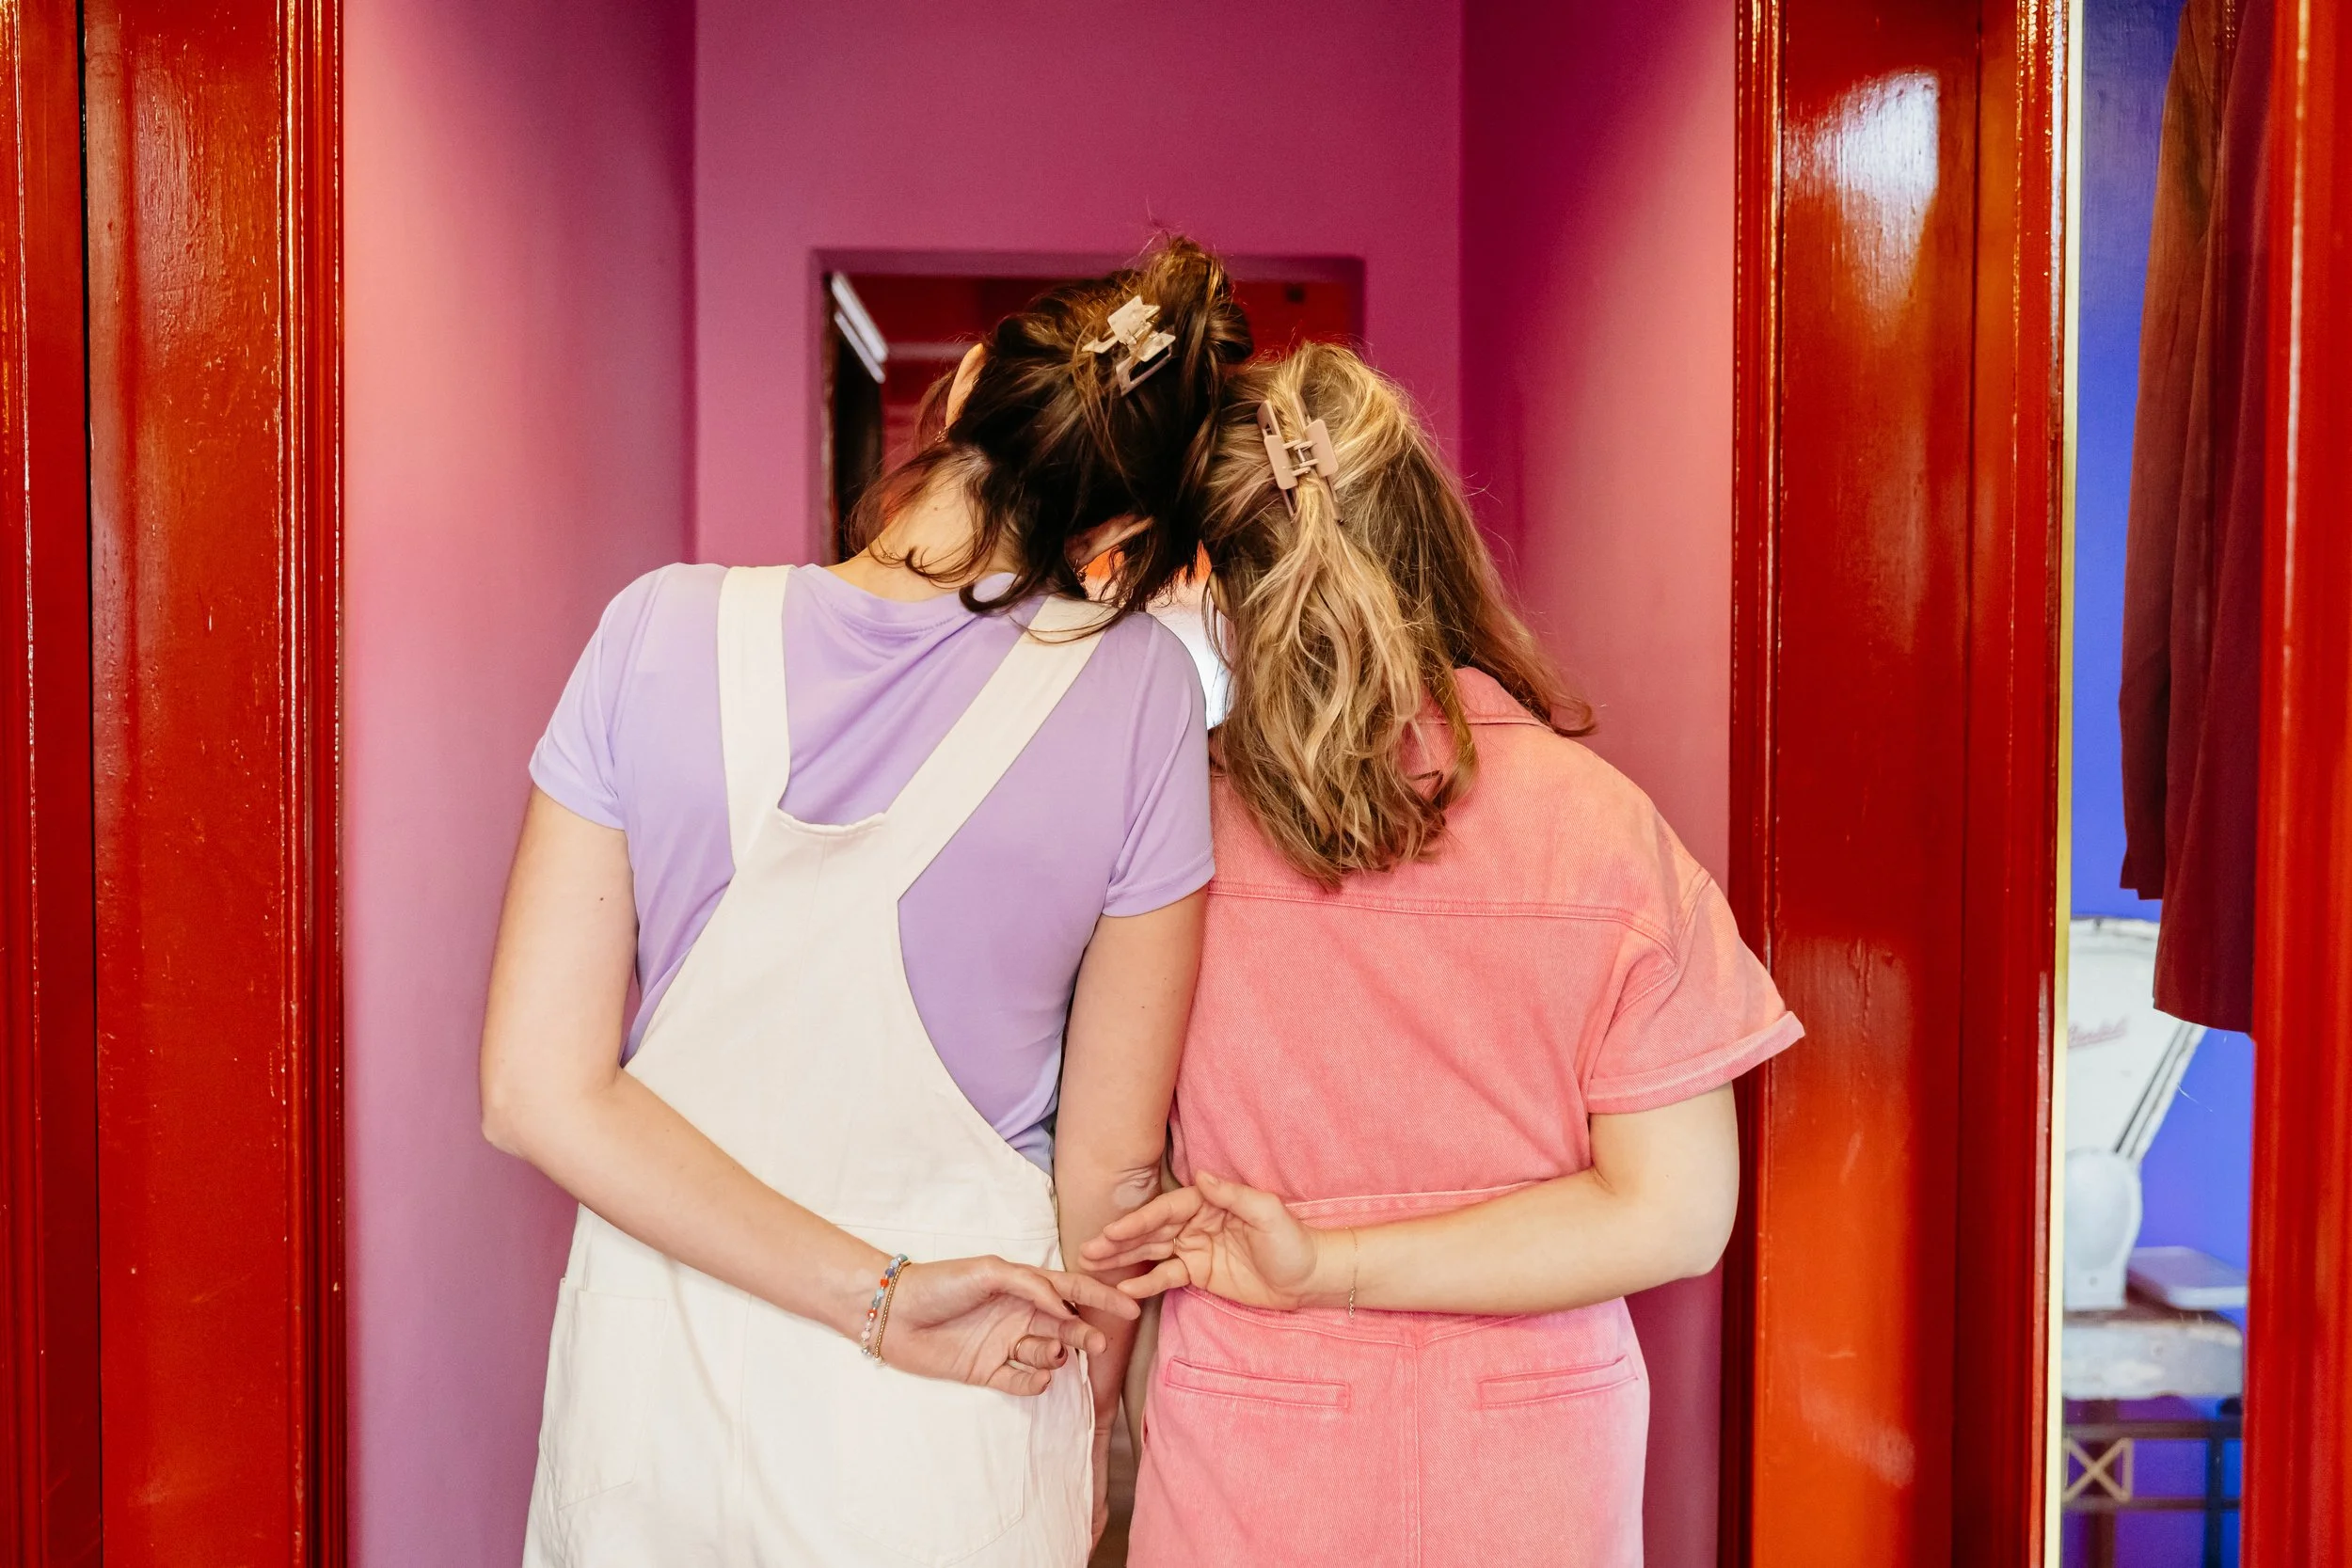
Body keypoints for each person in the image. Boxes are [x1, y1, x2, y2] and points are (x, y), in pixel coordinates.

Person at [479, 237, 1251, 1567]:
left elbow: (536, 1089)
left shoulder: (653, 627)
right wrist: (1083, 1440)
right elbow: (1112, 1180)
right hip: (955, 1404)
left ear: (952, 403)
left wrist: (869, 1295)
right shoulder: (1137, 698)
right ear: (1120, 537)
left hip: (650, 1389)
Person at [1083, 343, 1804, 1568]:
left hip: (1255, 1455)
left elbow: (1105, 1187)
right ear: (1432, 529)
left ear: (1216, 577)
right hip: (1532, 1469)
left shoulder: (1171, 837)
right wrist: (1347, 1265)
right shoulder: (1602, 827)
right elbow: (1678, 1213)